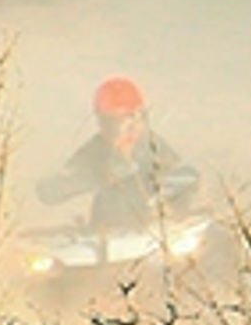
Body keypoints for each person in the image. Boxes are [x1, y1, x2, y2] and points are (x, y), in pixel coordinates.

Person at [42, 74, 199, 235]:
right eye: (109, 122)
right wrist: (82, 181)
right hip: (106, 237)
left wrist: (166, 196)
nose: (118, 131)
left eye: (126, 122)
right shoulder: (95, 151)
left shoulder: (155, 148)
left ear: (141, 118)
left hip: (154, 235)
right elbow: (51, 189)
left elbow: (184, 177)